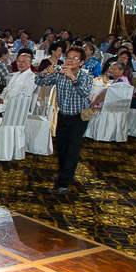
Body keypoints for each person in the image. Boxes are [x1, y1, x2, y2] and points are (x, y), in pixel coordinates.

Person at [34, 46, 93, 196]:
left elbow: (85, 93)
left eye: (75, 58)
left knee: (73, 148)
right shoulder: (59, 74)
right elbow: (38, 81)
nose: (70, 61)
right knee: (62, 148)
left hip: (79, 117)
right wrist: (46, 71)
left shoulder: (85, 76)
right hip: (63, 115)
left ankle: (63, 183)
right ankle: (66, 173)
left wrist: (72, 78)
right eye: (68, 58)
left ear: (81, 62)